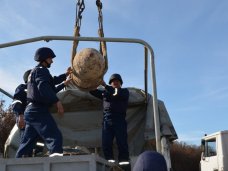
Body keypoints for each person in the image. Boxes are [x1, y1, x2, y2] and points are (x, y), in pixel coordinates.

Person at [15, 47, 72, 158]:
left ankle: (16, 164)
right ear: (44, 58)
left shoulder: (36, 71)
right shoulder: (41, 70)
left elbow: (50, 84)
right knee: (55, 136)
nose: (52, 61)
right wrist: (57, 101)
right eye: (50, 58)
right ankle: (56, 163)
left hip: (30, 112)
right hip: (38, 110)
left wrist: (65, 78)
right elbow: (44, 87)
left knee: (27, 143)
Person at [90, 73, 130, 169]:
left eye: (117, 81)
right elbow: (91, 91)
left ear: (120, 83)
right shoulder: (105, 93)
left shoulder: (124, 92)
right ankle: (110, 166)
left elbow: (115, 93)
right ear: (111, 83)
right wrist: (92, 81)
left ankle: (124, 167)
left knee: (122, 144)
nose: (115, 82)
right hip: (107, 121)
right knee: (106, 144)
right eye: (113, 81)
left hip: (119, 120)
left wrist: (104, 85)